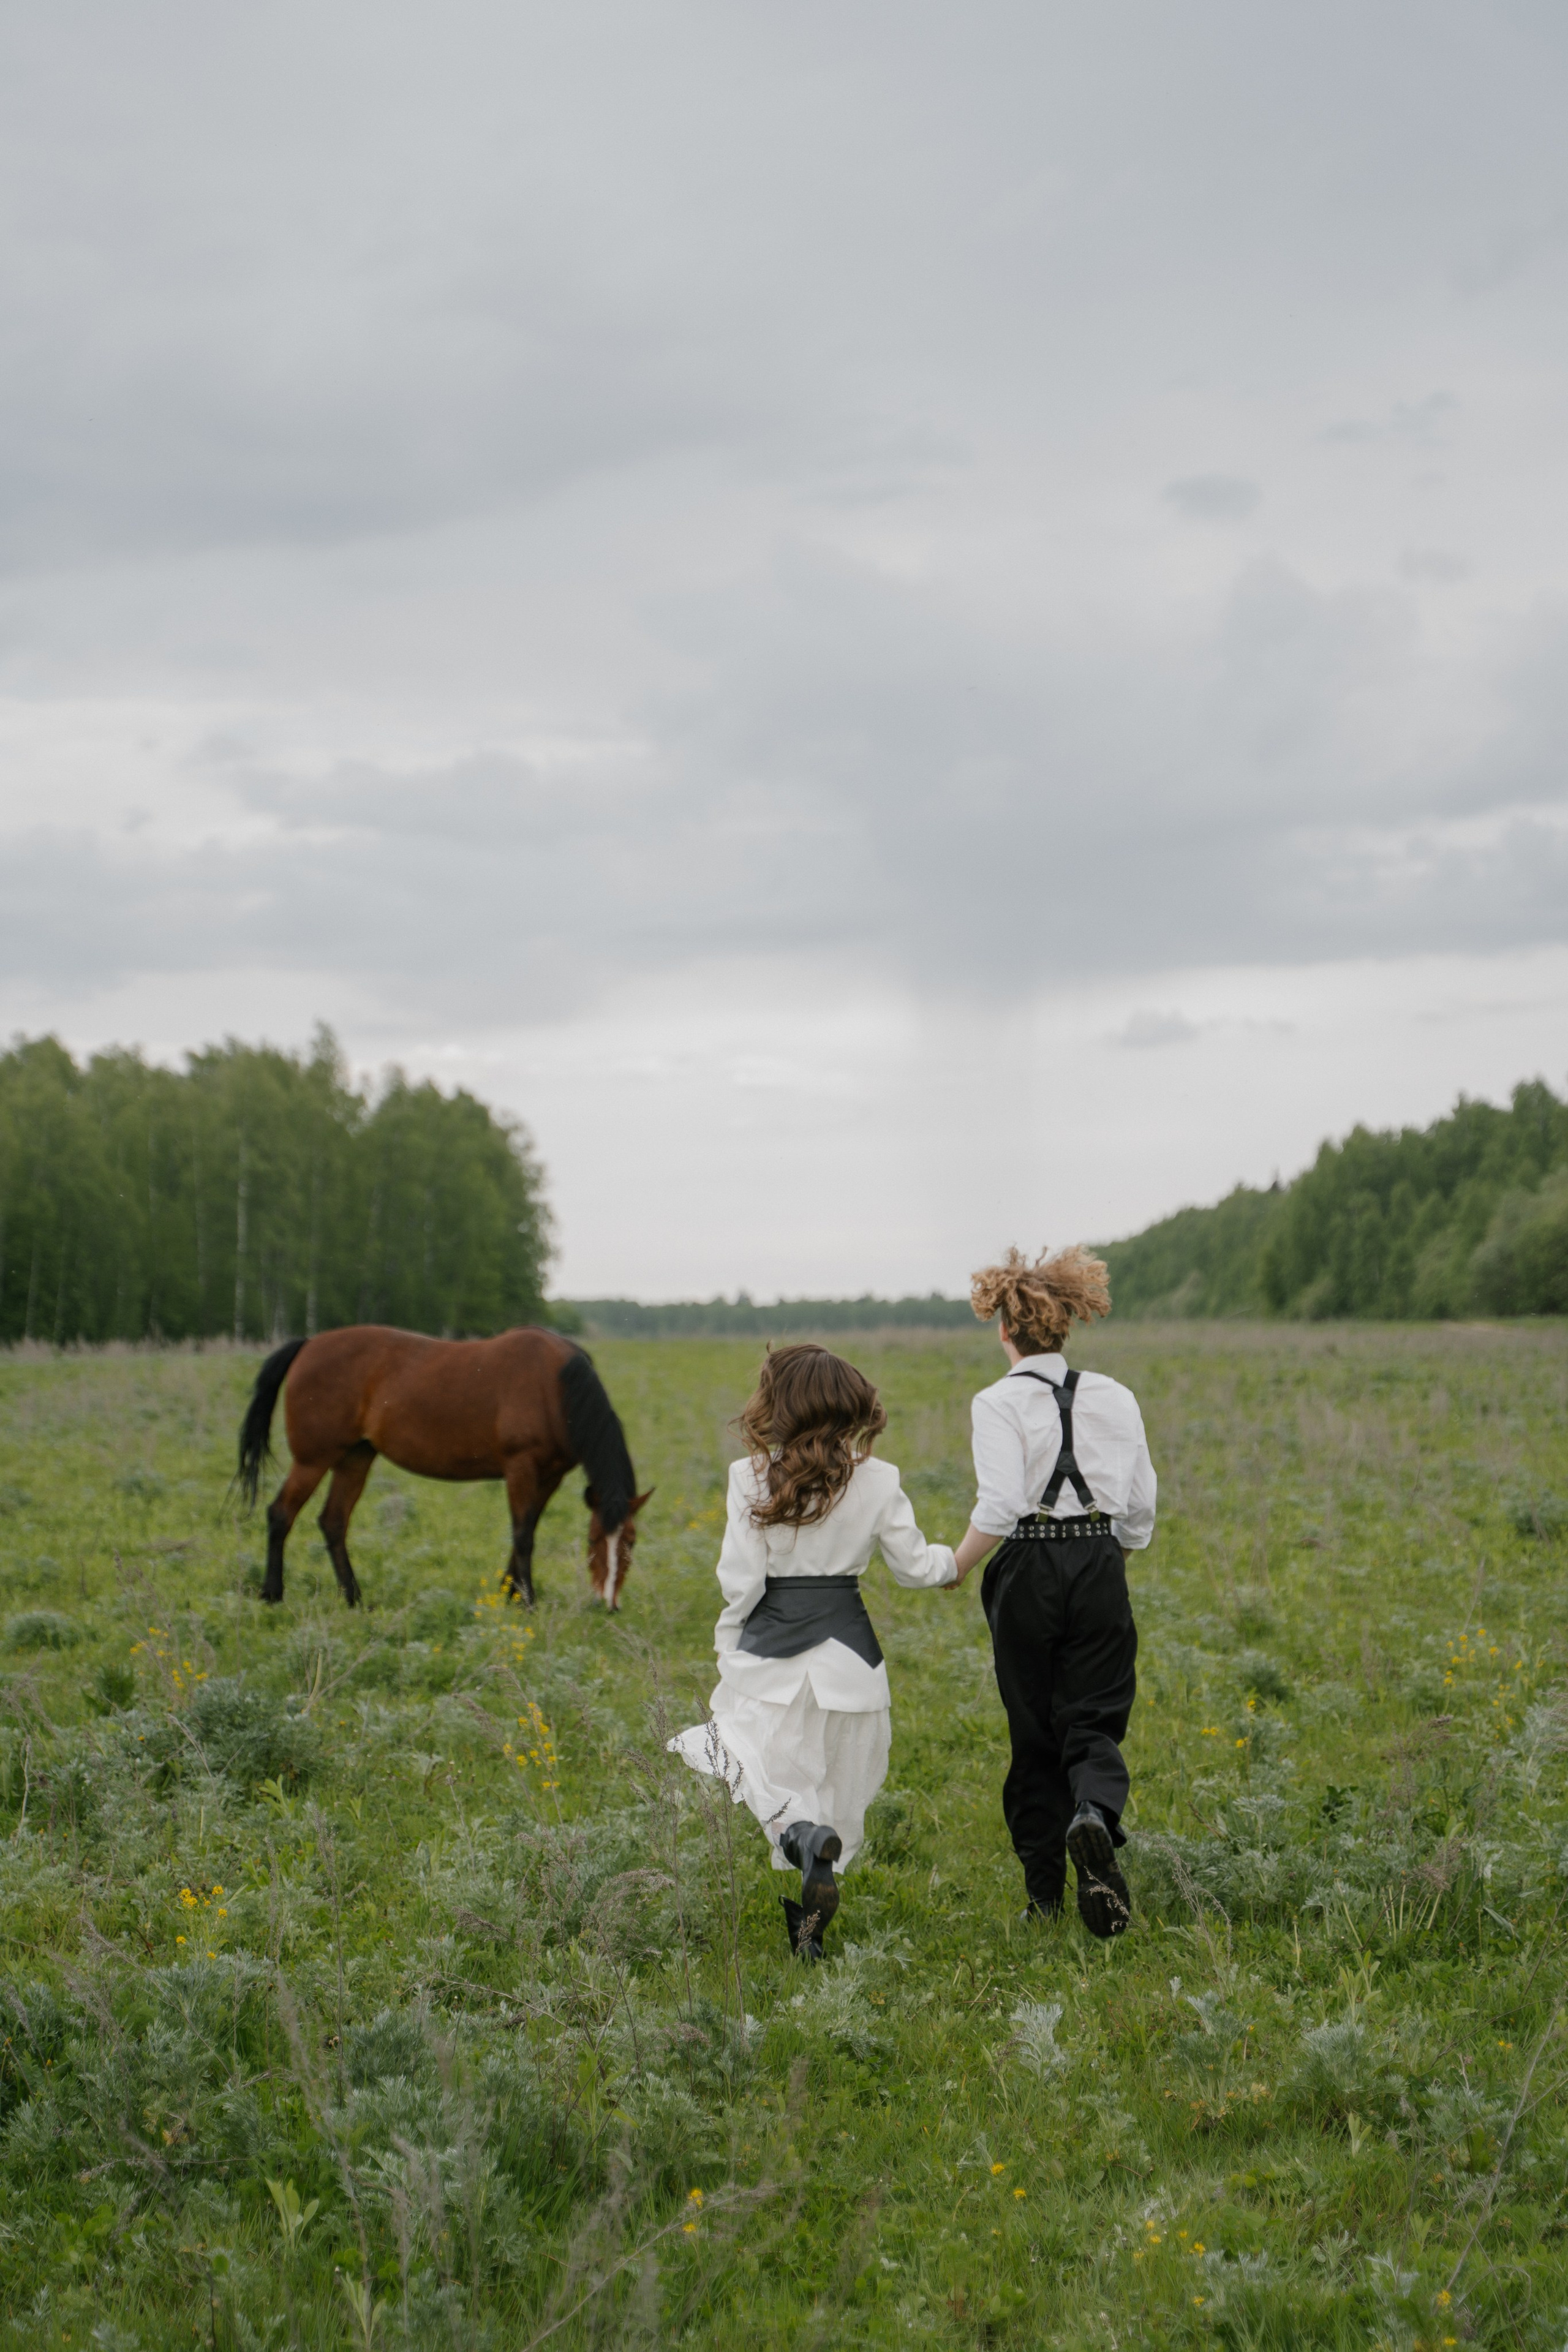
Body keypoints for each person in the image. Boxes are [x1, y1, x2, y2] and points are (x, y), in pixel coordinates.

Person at [668, 1342, 958, 1960]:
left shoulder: (749, 1477)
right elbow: (916, 1568)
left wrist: (728, 1645)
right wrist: (955, 1563)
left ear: (778, 1405)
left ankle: (802, 1839)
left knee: (753, 1764)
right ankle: (809, 1926)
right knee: (833, 1792)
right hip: (853, 1667)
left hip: (770, 1661)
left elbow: (741, 1582)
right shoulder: (878, 1479)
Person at [948, 1246, 1156, 1938]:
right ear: (1064, 1324)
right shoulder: (1117, 1396)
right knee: (1093, 1719)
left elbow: (1000, 1505)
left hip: (1026, 1569)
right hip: (1100, 1558)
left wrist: (957, 1565)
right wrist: (1105, 1559)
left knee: (1033, 1730)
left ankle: (1043, 1897)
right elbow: (1140, 1506)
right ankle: (1093, 1813)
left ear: (1004, 1329)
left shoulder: (995, 1402)